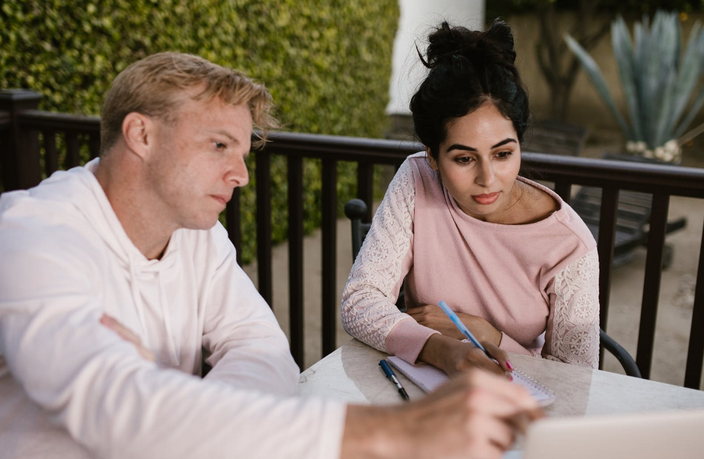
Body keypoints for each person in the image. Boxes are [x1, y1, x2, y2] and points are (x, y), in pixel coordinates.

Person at [0, 51, 541, 458]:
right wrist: (403, 431)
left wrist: (186, 417)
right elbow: (110, 401)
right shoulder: (28, 235)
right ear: (140, 134)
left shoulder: (196, 233)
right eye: (219, 146)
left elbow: (263, 351)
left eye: (243, 151)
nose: (239, 174)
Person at [341, 19, 600, 378]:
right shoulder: (418, 177)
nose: (487, 179)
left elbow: (579, 378)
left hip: (521, 404)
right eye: (463, 158)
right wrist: (439, 348)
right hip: (428, 393)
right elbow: (359, 302)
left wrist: (487, 335)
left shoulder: (570, 245)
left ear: (519, 145)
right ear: (432, 155)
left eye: (503, 154)